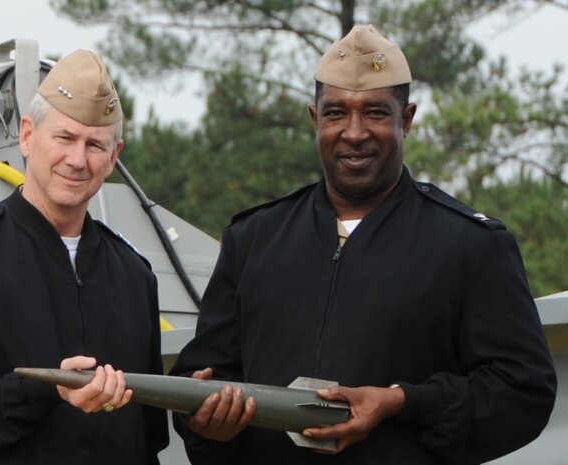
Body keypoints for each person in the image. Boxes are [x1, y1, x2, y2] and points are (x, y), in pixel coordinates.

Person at [169, 24, 557, 464]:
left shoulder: (470, 245)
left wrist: (402, 402)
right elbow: (202, 377)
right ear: (315, 119)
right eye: (336, 113)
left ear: (405, 119)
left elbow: (522, 391)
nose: (354, 133)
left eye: (374, 112)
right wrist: (206, 423)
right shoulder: (254, 239)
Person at [0, 49, 168, 464]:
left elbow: (146, 438)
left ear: (114, 157)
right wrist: (47, 389)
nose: (77, 159)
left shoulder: (133, 276)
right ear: (28, 135)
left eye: (94, 145)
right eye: (65, 138)